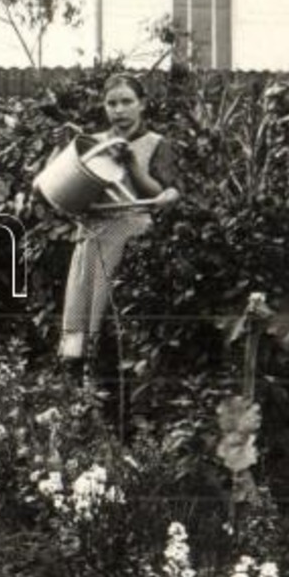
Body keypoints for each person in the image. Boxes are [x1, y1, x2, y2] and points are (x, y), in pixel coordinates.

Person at [57, 74, 182, 364]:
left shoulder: (156, 144)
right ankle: (84, 389)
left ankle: (116, 391)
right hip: (91, 239)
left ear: (142, 105)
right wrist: (61, 150)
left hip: (131, 241)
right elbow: (59, 191)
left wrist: (133, 166)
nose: (119, 110)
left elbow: (161, 193)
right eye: (112, 103)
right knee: (81, 319)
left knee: (117, 314)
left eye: (127, 102)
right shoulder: (93, 143)